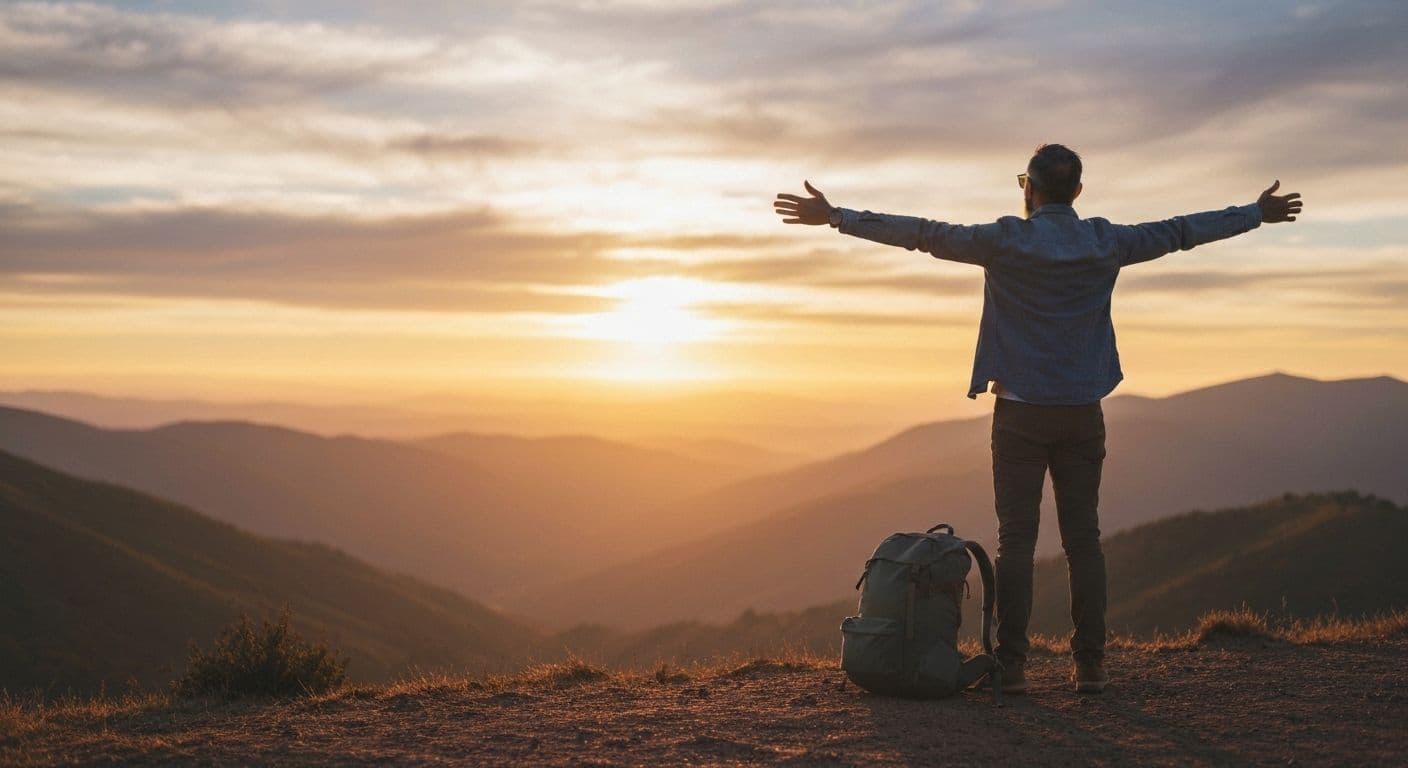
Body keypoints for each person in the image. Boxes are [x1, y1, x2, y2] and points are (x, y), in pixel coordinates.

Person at [772, 144, 1302, 694]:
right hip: (1082, 413)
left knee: (1016, 544)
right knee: (1084, 540)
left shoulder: (1006, 241)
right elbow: (1180, 230)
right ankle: (1090, 666)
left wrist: (838, 217)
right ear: (1077, 191)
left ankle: (1015, 668)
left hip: (1020, 414)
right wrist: (1255, 214)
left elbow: (924, 233)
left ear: (1029, 188)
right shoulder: (1106, 241)